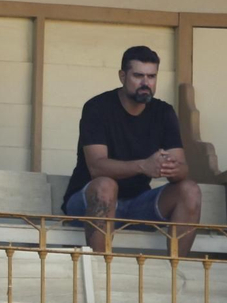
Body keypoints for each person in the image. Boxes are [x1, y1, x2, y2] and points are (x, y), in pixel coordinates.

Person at [60, 45, 202, 255]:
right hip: (89, 204)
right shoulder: (97, 107)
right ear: (122, 76)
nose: (146, 83)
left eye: (151, 76)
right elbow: (97, 168)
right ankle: (102, 270)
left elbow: (182, 170)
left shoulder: (163, 112)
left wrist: (169, 167)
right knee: (105, 186)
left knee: (189, 189)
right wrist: (144, 166)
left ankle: (175, 273)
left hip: (138, 205)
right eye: (138, 76)